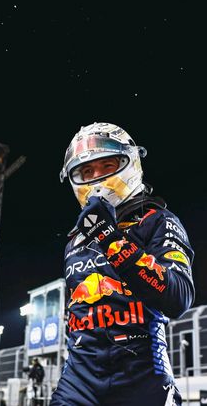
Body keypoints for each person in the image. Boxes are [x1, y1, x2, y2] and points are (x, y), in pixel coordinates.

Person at [50, 122, 195, 406]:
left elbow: (179, 297)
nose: (96, 178)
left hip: (142, 377)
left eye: (106, 166)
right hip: (80, 380)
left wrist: (110, 239)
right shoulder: (74, 242)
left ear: (131, 163)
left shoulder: (157, 220)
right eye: (86, 171)